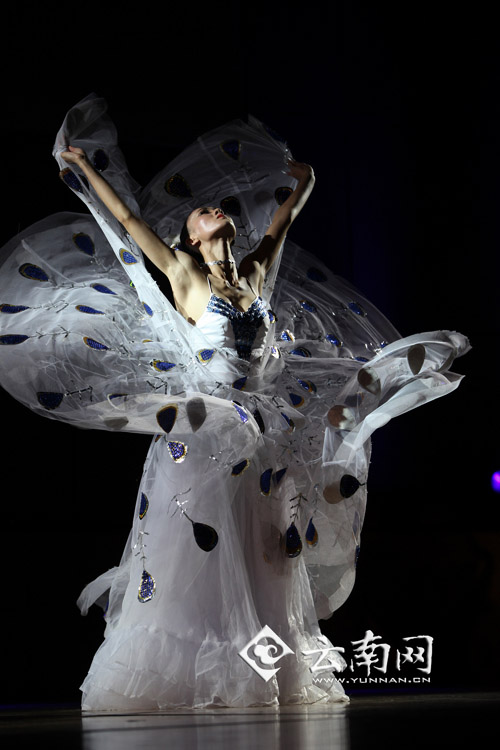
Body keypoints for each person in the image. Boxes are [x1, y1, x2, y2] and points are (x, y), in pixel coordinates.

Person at [0, 94, 469, 709]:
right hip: (207, 433)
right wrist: (86, 171)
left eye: (213, 208)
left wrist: (300, 185)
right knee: (201, 554)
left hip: (262, 436)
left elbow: (281, 223)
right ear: (193, 239)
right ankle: (192, 672)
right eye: (200, 213)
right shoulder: (185, 277)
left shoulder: (252, 275)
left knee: (261, 555)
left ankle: (260, 667)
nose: (212, 209)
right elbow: (132, 226)